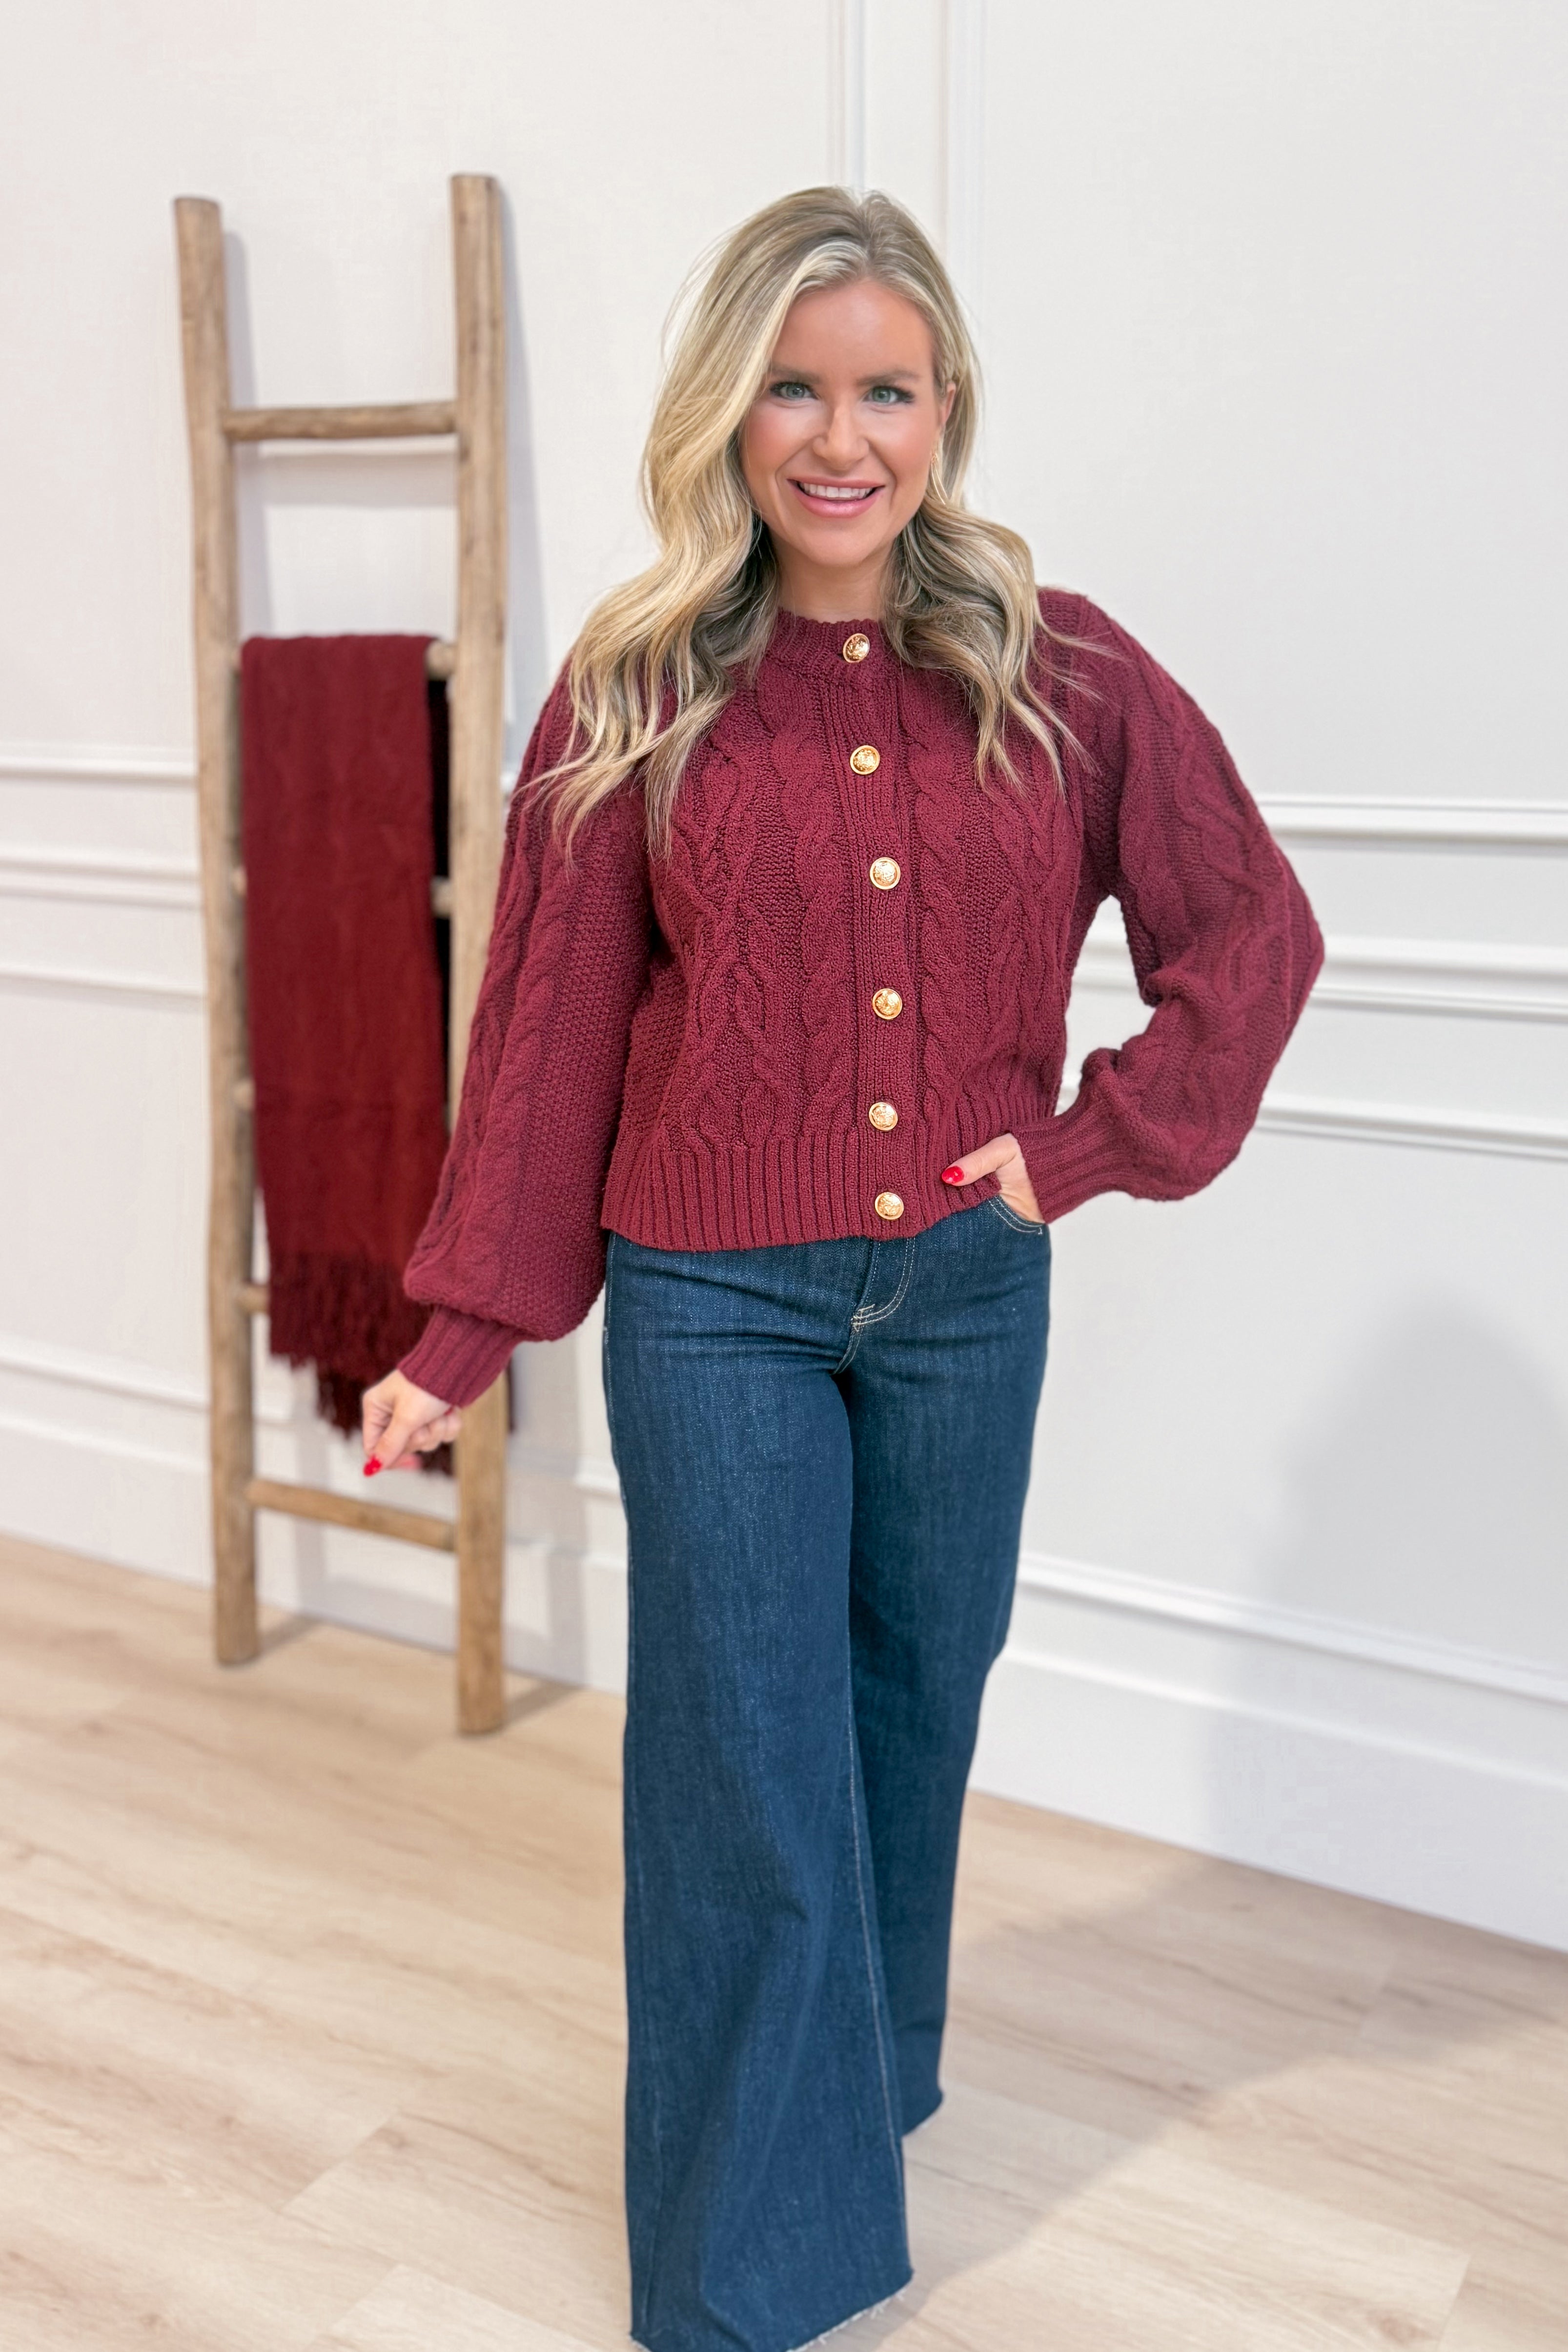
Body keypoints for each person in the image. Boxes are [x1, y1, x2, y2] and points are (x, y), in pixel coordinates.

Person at [360, 185, 1323, 2352]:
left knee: (912, 1702)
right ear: (730, 408)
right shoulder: (637, 684)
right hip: (715, 1300)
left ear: (944, 404)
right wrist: (468, 1321)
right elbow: (550, 1030)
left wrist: (1083, 1145)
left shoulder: (1068, 668)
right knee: (745, 1749)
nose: (838, 436)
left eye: (883, 389)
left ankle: (849, 2107)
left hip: (970, 1292)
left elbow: (1253, 932)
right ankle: (744, 2278)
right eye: (793, 389)